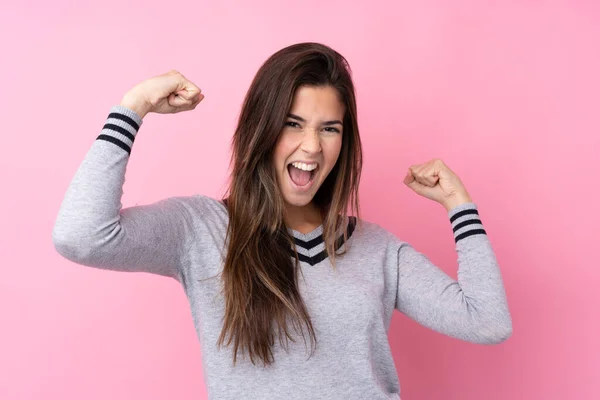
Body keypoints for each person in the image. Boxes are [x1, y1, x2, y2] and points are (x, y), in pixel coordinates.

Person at [52, 42, 512, 400]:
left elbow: (486, 321)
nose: (312, 147)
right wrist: (134, 106)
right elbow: (81, 236)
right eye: (293, 123)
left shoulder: (376, 248)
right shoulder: (201, 229)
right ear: (261, 129)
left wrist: (460, 206)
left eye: (329, 128)